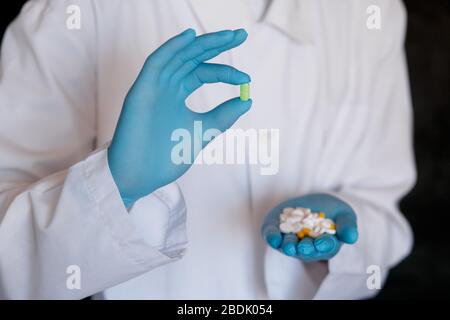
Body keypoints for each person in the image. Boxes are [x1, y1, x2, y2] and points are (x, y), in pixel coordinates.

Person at [0, 0, 415, 299]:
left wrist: (341, 231)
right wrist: (114, 187)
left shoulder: (371, 14)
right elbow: (9, 267)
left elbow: (382, 214)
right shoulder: (78, 10)